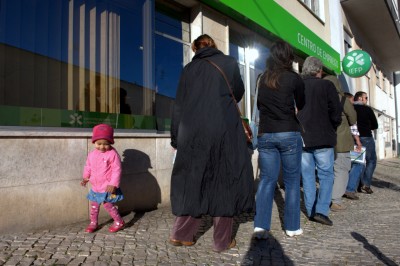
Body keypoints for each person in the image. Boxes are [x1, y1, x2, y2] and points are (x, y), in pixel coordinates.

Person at [169, 34, 254, 252]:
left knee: (193, 180)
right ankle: (222, 241)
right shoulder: (229, 62)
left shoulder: (188, 69)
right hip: (223, 129)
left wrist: (176, 138)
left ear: (195, 48)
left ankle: (181, 234)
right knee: (224, 180)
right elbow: (239, 92)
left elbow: (178, 105)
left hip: (192, 133)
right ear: (214, 46)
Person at [253, 40, 305, 238]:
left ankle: (260, 227)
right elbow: (302, 103)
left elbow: (258, 106)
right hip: (289, 132)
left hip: (266, 133)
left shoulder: (261, 78)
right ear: (289, 56)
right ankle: (292, 227)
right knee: (292, 181)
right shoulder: (294, 78)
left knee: (267, 180)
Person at [297, 57, 342, 226]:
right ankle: (321, 211)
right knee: (325, 175)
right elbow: (336, 111)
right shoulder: (327, 85)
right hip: (323, 136)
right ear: (319, 70)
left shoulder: (298, 85)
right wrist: (333, 125)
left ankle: (310, 210)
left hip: (303, 137)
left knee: (307, 175)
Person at [81, 124, 125, 233]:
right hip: (95, 186)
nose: (102, 147)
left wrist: (113, 184)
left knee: (108, 205)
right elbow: (88, 166)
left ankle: (119, 221)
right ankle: (93, 223)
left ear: (110, 143)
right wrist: (86, 177)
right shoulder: (92, 154)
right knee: (94, 206)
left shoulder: (113, 154)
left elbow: (117, 169)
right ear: (94, 142)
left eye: (106, 144)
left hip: (107, 187)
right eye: (99, 144)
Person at [323, 75, 357, 212]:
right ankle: (335, 200)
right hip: (341, 140)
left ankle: (323, 199)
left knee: (325, 171)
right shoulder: (342, 99)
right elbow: (353, 119)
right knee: (342, 169)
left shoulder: (319, 98)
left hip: (323, 139)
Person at [346, 91, 378, 194]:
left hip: (352, 137)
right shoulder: (367, 109)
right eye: (366, 98)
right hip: (366, 137)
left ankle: (353, 186)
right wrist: (367, 126)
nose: (366, 100)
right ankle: (365, 184)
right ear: (360, 98)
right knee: (371, 160)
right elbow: (375, 125)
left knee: (356, 162)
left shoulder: (350, 108)